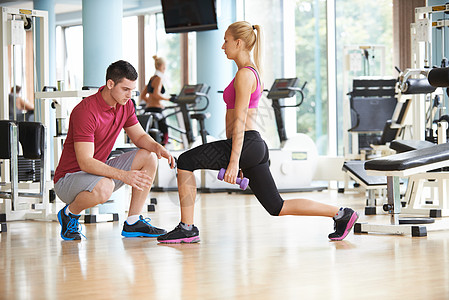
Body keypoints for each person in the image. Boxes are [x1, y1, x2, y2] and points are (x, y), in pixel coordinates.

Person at [157, 21, 359, 244]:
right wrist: (240, 159)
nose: (222, 46)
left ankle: (187, 228)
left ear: (238, 42)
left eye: (225, 41)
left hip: (246, 143)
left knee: (185, 161)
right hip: (251, 146)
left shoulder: (245, 74)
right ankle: (341, 214)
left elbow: (241, 119)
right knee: (277, 206)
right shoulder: (249, 72)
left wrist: (234, 162)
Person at [54, 60, 175, 241]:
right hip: (69, 179)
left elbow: (140, 138)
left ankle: (133, 221)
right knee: (105, 187)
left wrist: (158, 147)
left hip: (97, 172)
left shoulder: (126, 105)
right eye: (125, 89)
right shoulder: (85, 111)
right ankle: (69, 214)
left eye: (132, 90)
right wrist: (124, 176)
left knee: (149, 156)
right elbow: (85, 162)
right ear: (110, 84)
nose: (130, 95)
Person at [140, 55, 170, 146]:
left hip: (148, 109)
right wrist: (169, 99)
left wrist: (149, 102)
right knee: (164, 135)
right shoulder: (159, 78)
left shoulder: (152, 78)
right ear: (162, 66)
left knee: (152, 135)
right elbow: (157, 94)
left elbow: (142, 95)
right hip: (157, 110)